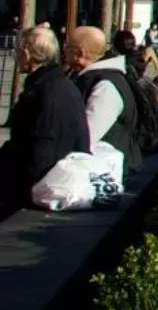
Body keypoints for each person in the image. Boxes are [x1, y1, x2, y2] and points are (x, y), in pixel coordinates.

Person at [0, 25, 89, 211]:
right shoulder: (61, 84)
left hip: (39, 187)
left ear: (26, 54)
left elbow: (43, 147)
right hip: (56, 179)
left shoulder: (44, 91)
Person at [67, 26, 141, 181]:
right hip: (96, 168)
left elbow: (87, 135)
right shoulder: (91, 77)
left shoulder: (106, 85)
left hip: (106, 175)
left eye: (68, 47)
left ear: (80, 53)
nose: (64, 51)